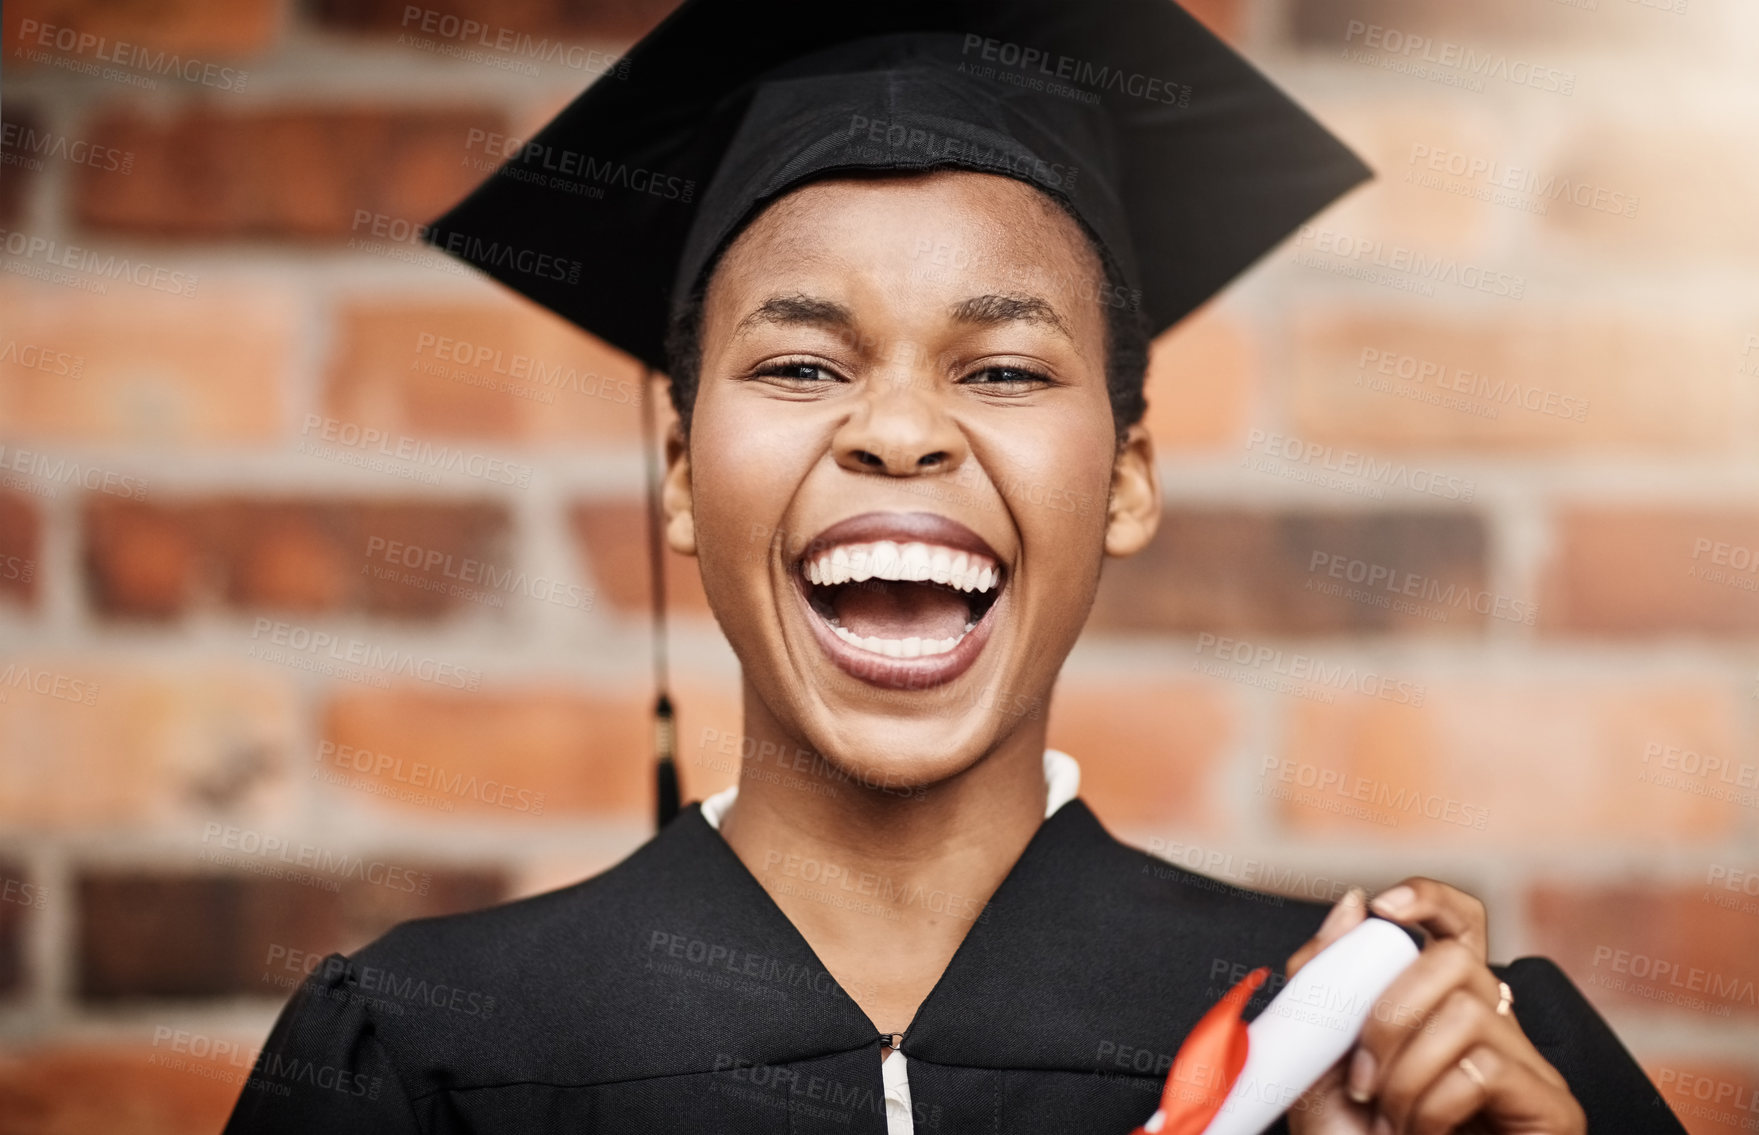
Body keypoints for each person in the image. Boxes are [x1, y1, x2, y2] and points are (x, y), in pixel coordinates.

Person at [221, 1, 1685, 1132]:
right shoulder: (435, 1054)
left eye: (1000, 368)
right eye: (800, 362)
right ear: (679, 475)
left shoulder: (1376, 1051)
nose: (903, 431)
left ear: (1124, 477)